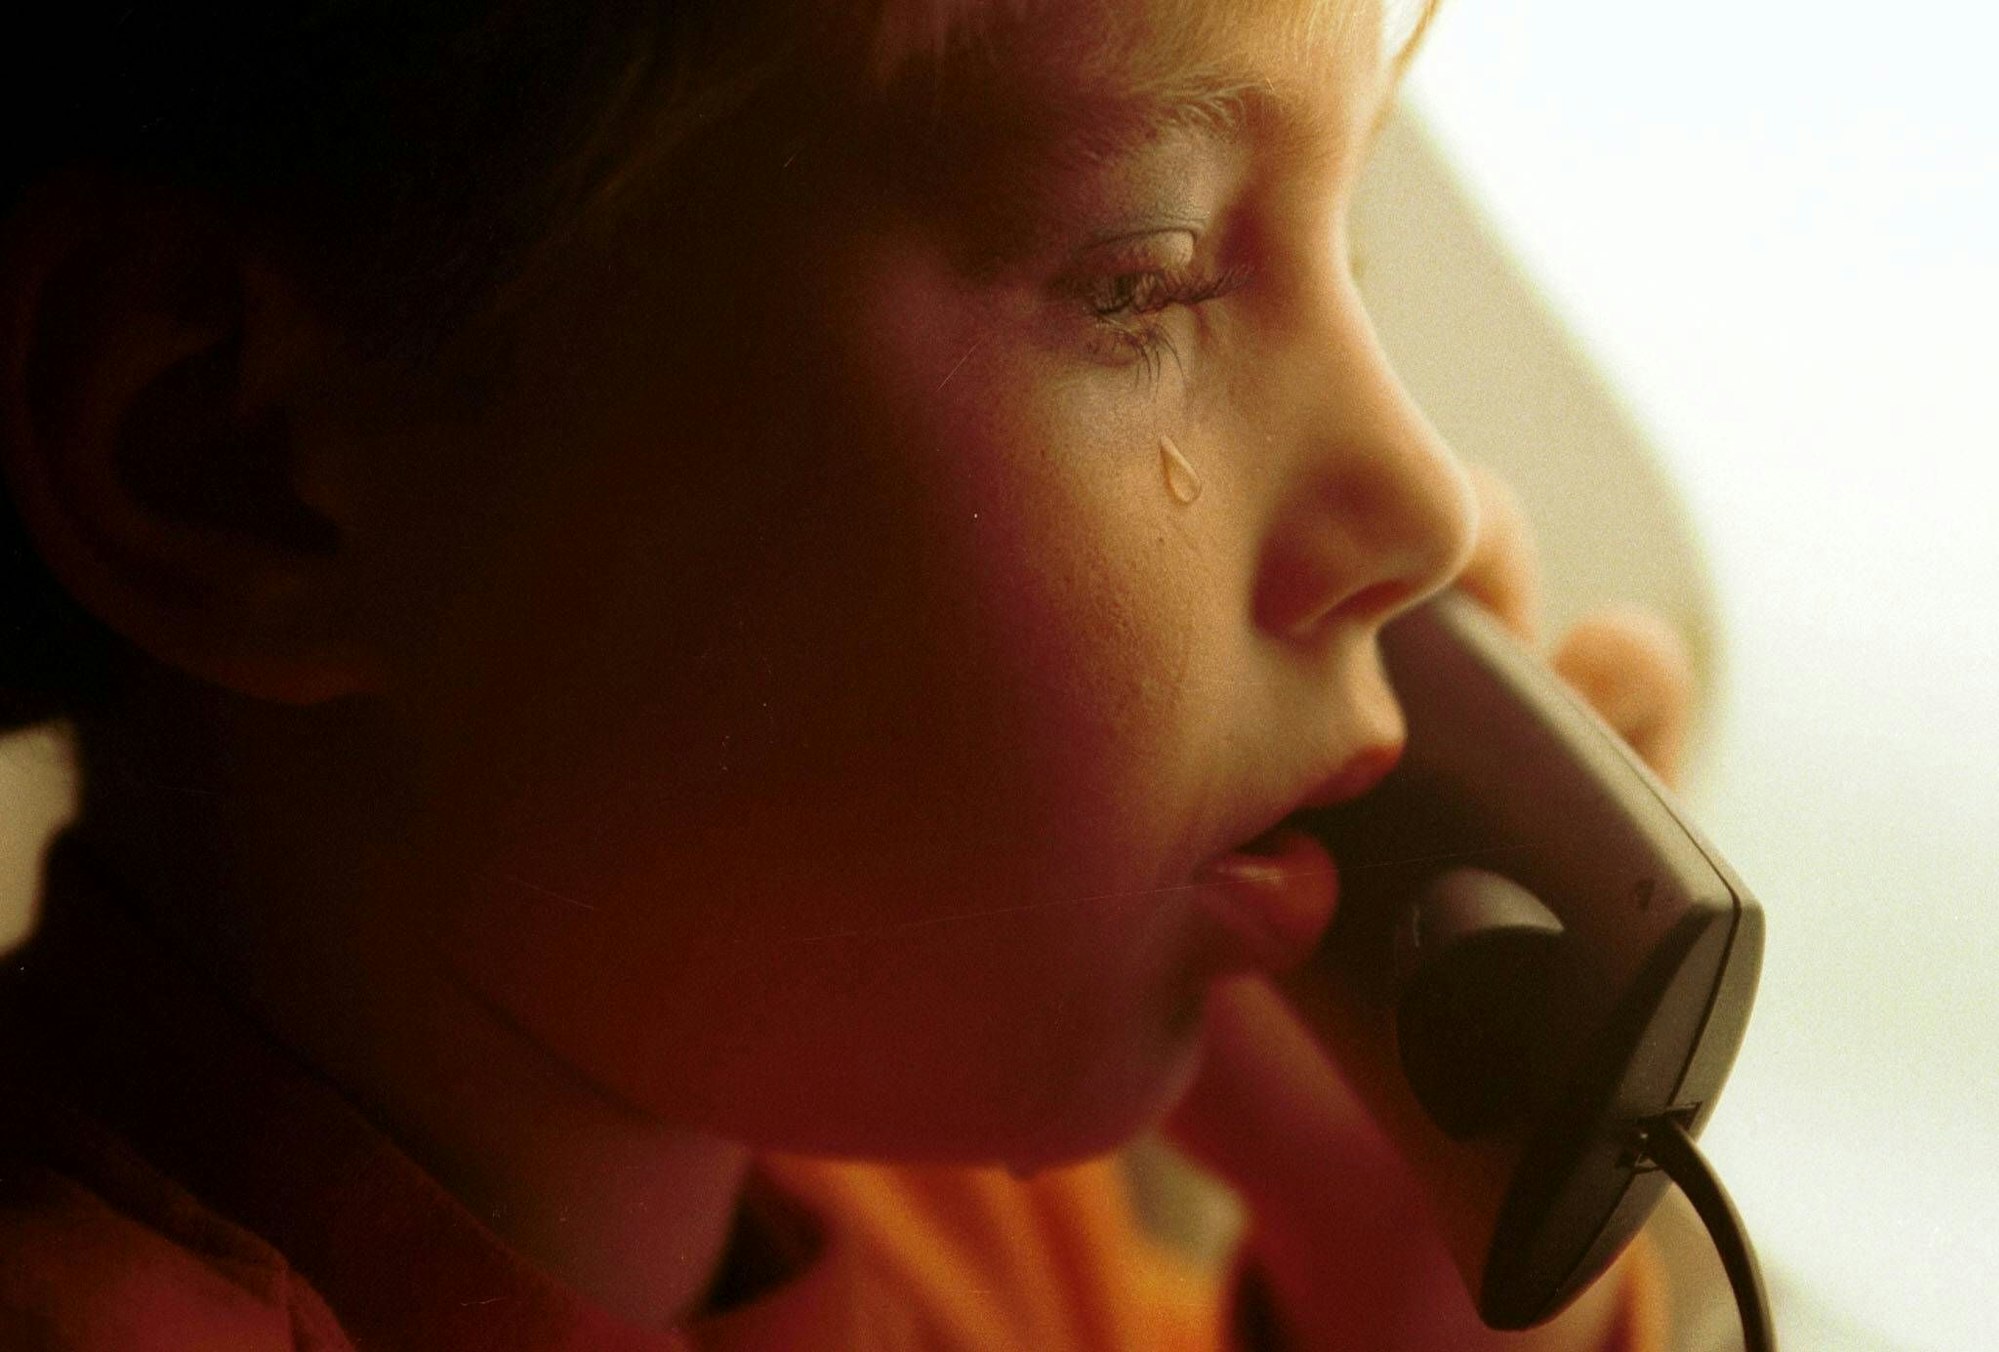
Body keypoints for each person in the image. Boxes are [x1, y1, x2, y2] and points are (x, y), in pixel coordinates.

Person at [0, 0, 1700, 1346]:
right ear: (238, 456)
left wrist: (1396, 1258)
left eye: (1352, 252)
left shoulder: (943, 1233)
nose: (1427, 500)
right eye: (1146, 277)